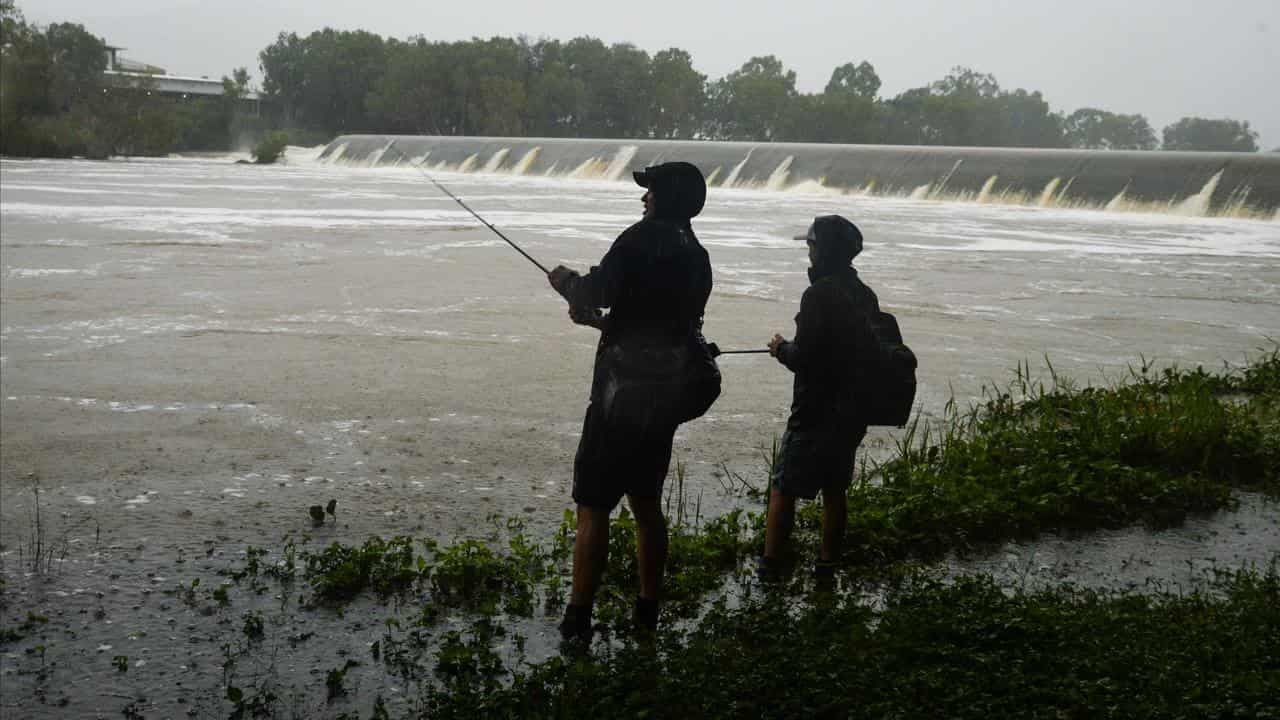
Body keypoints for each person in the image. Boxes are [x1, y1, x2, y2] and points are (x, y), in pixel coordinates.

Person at [546, 161, 712, 640]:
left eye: (650, 191)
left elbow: (598, 289)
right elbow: (662, 323)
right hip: (664, 401)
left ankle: (578, 618)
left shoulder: (638, 239)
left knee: (594, 506)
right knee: (646, 504)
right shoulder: (697, 256)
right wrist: (600, 321)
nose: (643, 199)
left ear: (666, 198)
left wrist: (567, 283)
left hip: (618, 399)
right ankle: (647, 611)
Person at [763, 215, 879, 579]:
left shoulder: (817, 294)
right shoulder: (864, 294)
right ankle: (828, 565)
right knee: (834, 490)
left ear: (822, 251)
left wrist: (781, 348)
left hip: (814, 413)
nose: (808, 251)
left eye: (811, 245)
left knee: (783, 488)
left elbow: (806, 359)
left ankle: (771, 567)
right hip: (852, 410)